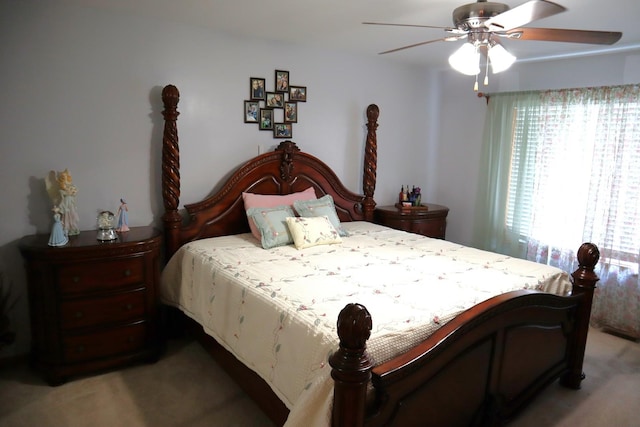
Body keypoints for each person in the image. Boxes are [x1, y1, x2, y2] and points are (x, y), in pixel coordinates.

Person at [57, 169, 80, 236]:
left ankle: (73, 226)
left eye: (65, 176)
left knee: (72, 213)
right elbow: (62, 197)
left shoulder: (71, 185)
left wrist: (73, 192)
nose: (64, 177)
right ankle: (67, 228)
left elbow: (74, 194)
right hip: (66, 201)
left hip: (70, 201)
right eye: (63, 176)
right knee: (66, 214)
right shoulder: (62, 186)